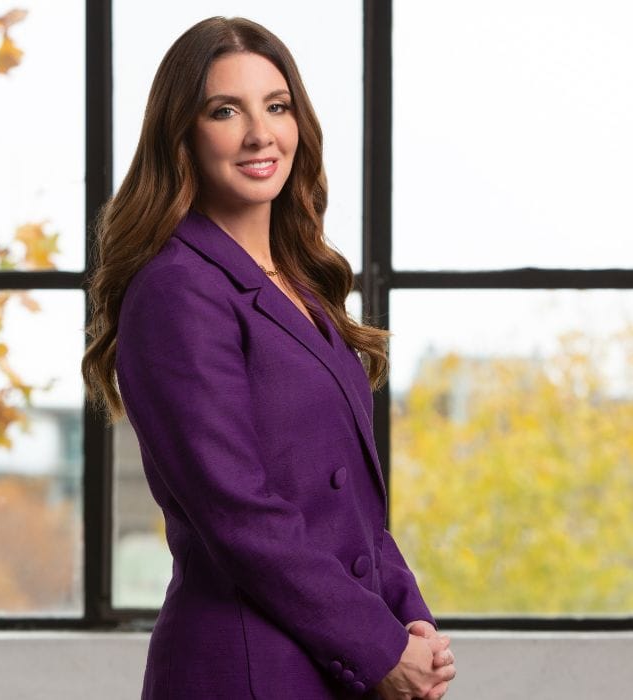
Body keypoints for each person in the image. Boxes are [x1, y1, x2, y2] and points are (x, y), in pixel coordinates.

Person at [81, 16, 457, 700]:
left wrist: (411, 622)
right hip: (248, 670)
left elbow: (349, 510)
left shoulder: (301, 285)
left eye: (276, 107)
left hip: (335, 661)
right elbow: (238, 511)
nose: (261, 133)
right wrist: (378, 647)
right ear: (183, 137)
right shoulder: (176, 289)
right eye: (226, 110)